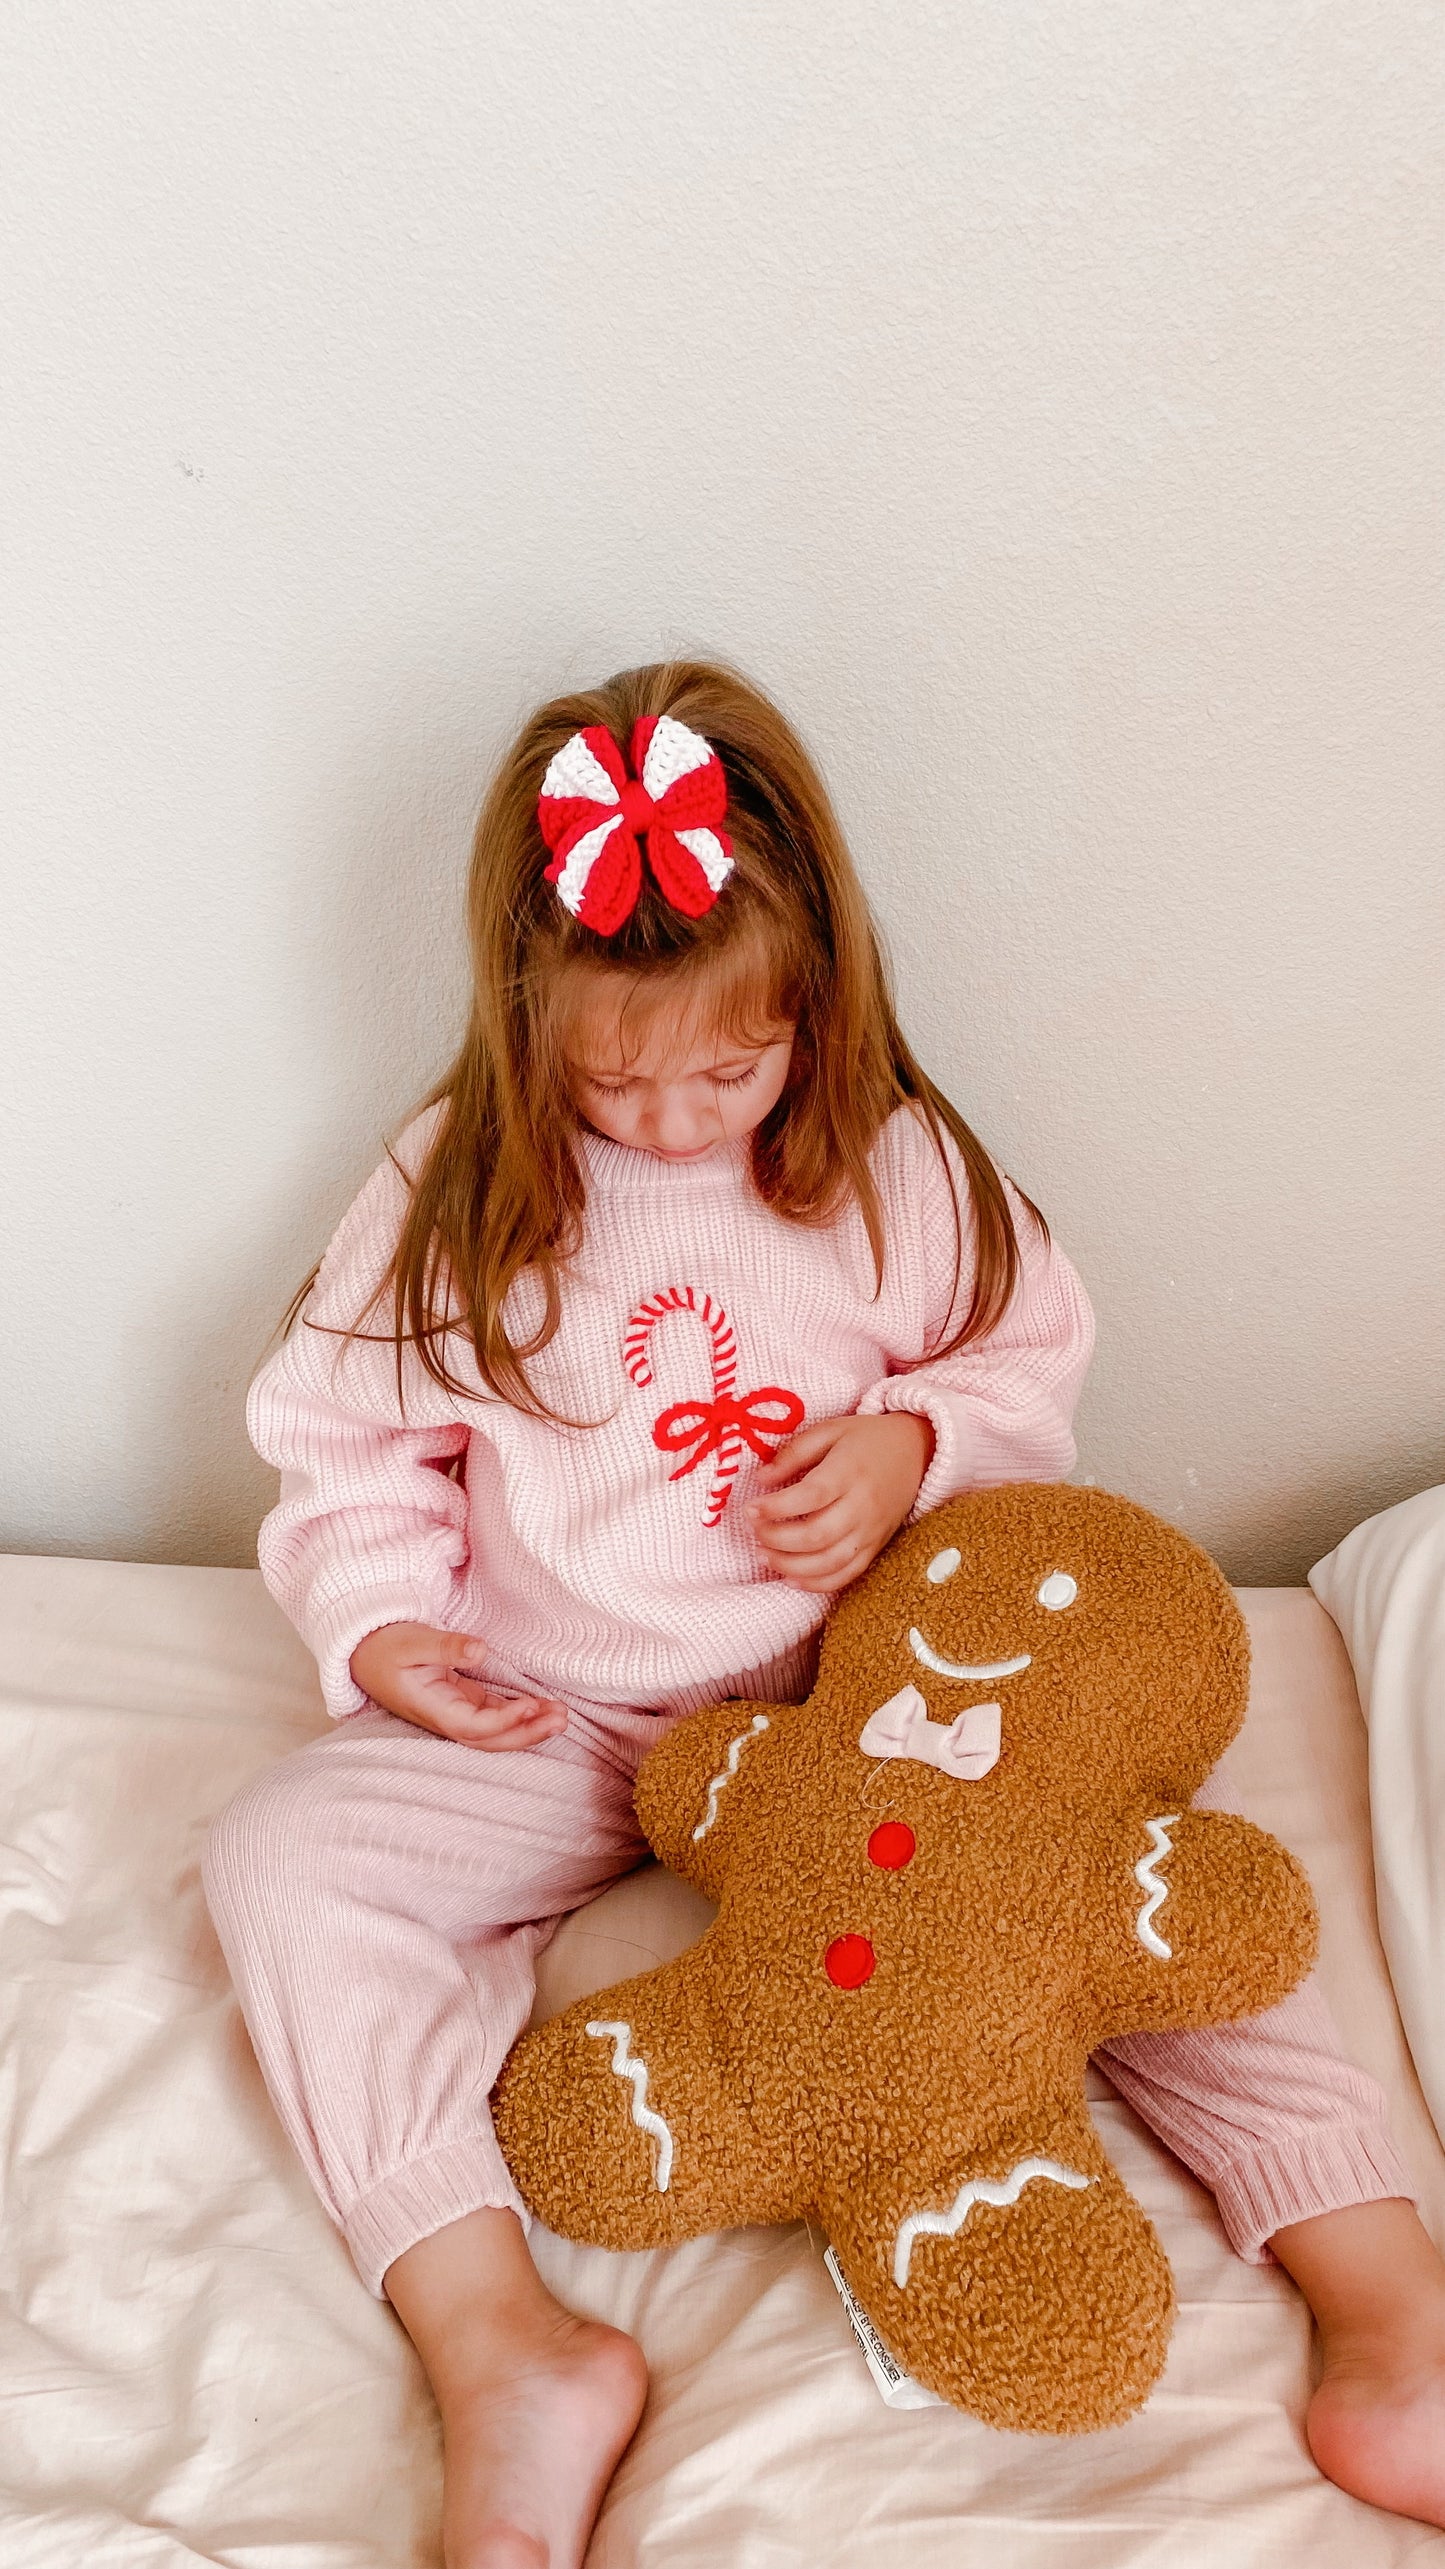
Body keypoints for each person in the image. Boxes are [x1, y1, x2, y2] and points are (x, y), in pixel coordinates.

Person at [204, 660, 1445, 2568]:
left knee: (1148, 1881)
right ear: (526, 1025)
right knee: (285, 1861)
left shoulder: (887, 1168)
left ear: (816, 1009)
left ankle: (1380, 2294)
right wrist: (380, 1630)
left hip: (870, 1701)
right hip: (562, 1713)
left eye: (729, 1067)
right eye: (611, 1077)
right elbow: (340, 1442)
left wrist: (914, 1443)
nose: (673, 1117)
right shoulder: (453, 1192)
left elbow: (1022, 1362)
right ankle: (503, 2347)